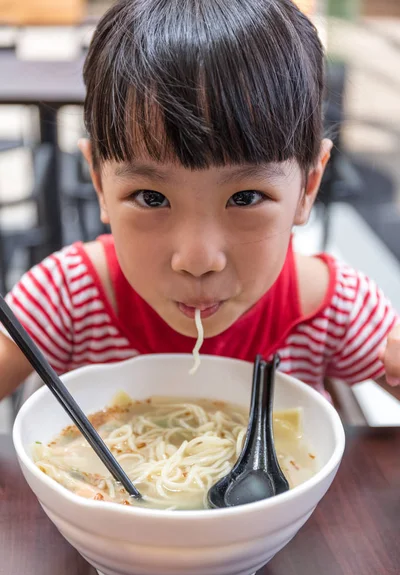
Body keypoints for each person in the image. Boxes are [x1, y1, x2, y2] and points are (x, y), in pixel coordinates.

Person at [1, 0, 400, 403]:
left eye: (245, 197)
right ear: (100, 185)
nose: (197, 260)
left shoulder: (334, 309)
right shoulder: (66, 299)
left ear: (308, 187)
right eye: (151, 197)